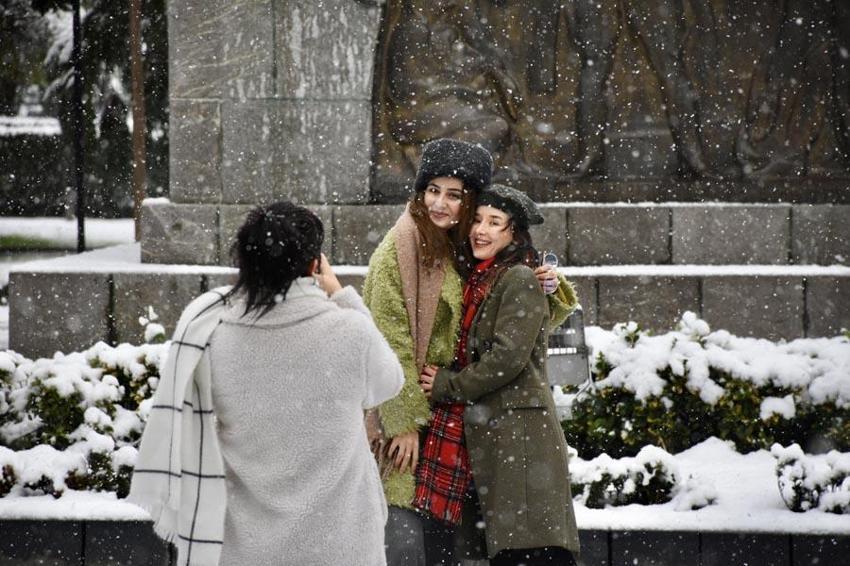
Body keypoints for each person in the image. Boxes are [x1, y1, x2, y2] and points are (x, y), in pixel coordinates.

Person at [129, 201, 404, 566]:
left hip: (247, 543)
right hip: (340, 540)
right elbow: (390, 382)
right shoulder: (350, 331)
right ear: (314, 265)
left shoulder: (212, 333)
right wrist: (342, 295)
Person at [419, 184, 581, 566]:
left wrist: (448, 385)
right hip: (502, 434)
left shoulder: (518, 278)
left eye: (495, 223)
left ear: (513, 234)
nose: (481, 230)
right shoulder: (481, 277)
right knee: (515, 548)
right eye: (477, 220)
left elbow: (507, 358)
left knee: (531, 549)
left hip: (521, 440)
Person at [362, 137, 493, 566]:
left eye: (453, 195)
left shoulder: (462, 248)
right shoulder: (399, 252)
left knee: (443, 544)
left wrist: (547, 284)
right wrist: (403, 424)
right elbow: (388, 345)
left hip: (452, 412)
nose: (439, 203)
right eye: (432, 190)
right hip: (409, 415)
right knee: (406, 541)